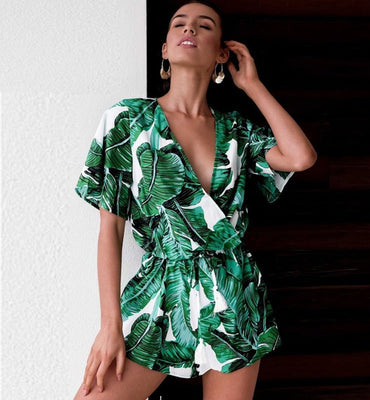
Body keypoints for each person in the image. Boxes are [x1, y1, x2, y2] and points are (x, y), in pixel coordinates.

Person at [72, 1, 317, 399]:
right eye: (179, 24)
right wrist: (110, 326)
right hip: (158, 291)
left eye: (204, 26)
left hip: (232, 292)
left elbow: (300, 157)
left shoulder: (236, 130)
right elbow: (110, 230)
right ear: (165, 48)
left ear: (222, 53)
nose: (190, 29)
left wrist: (252, 85)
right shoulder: (127, 120)